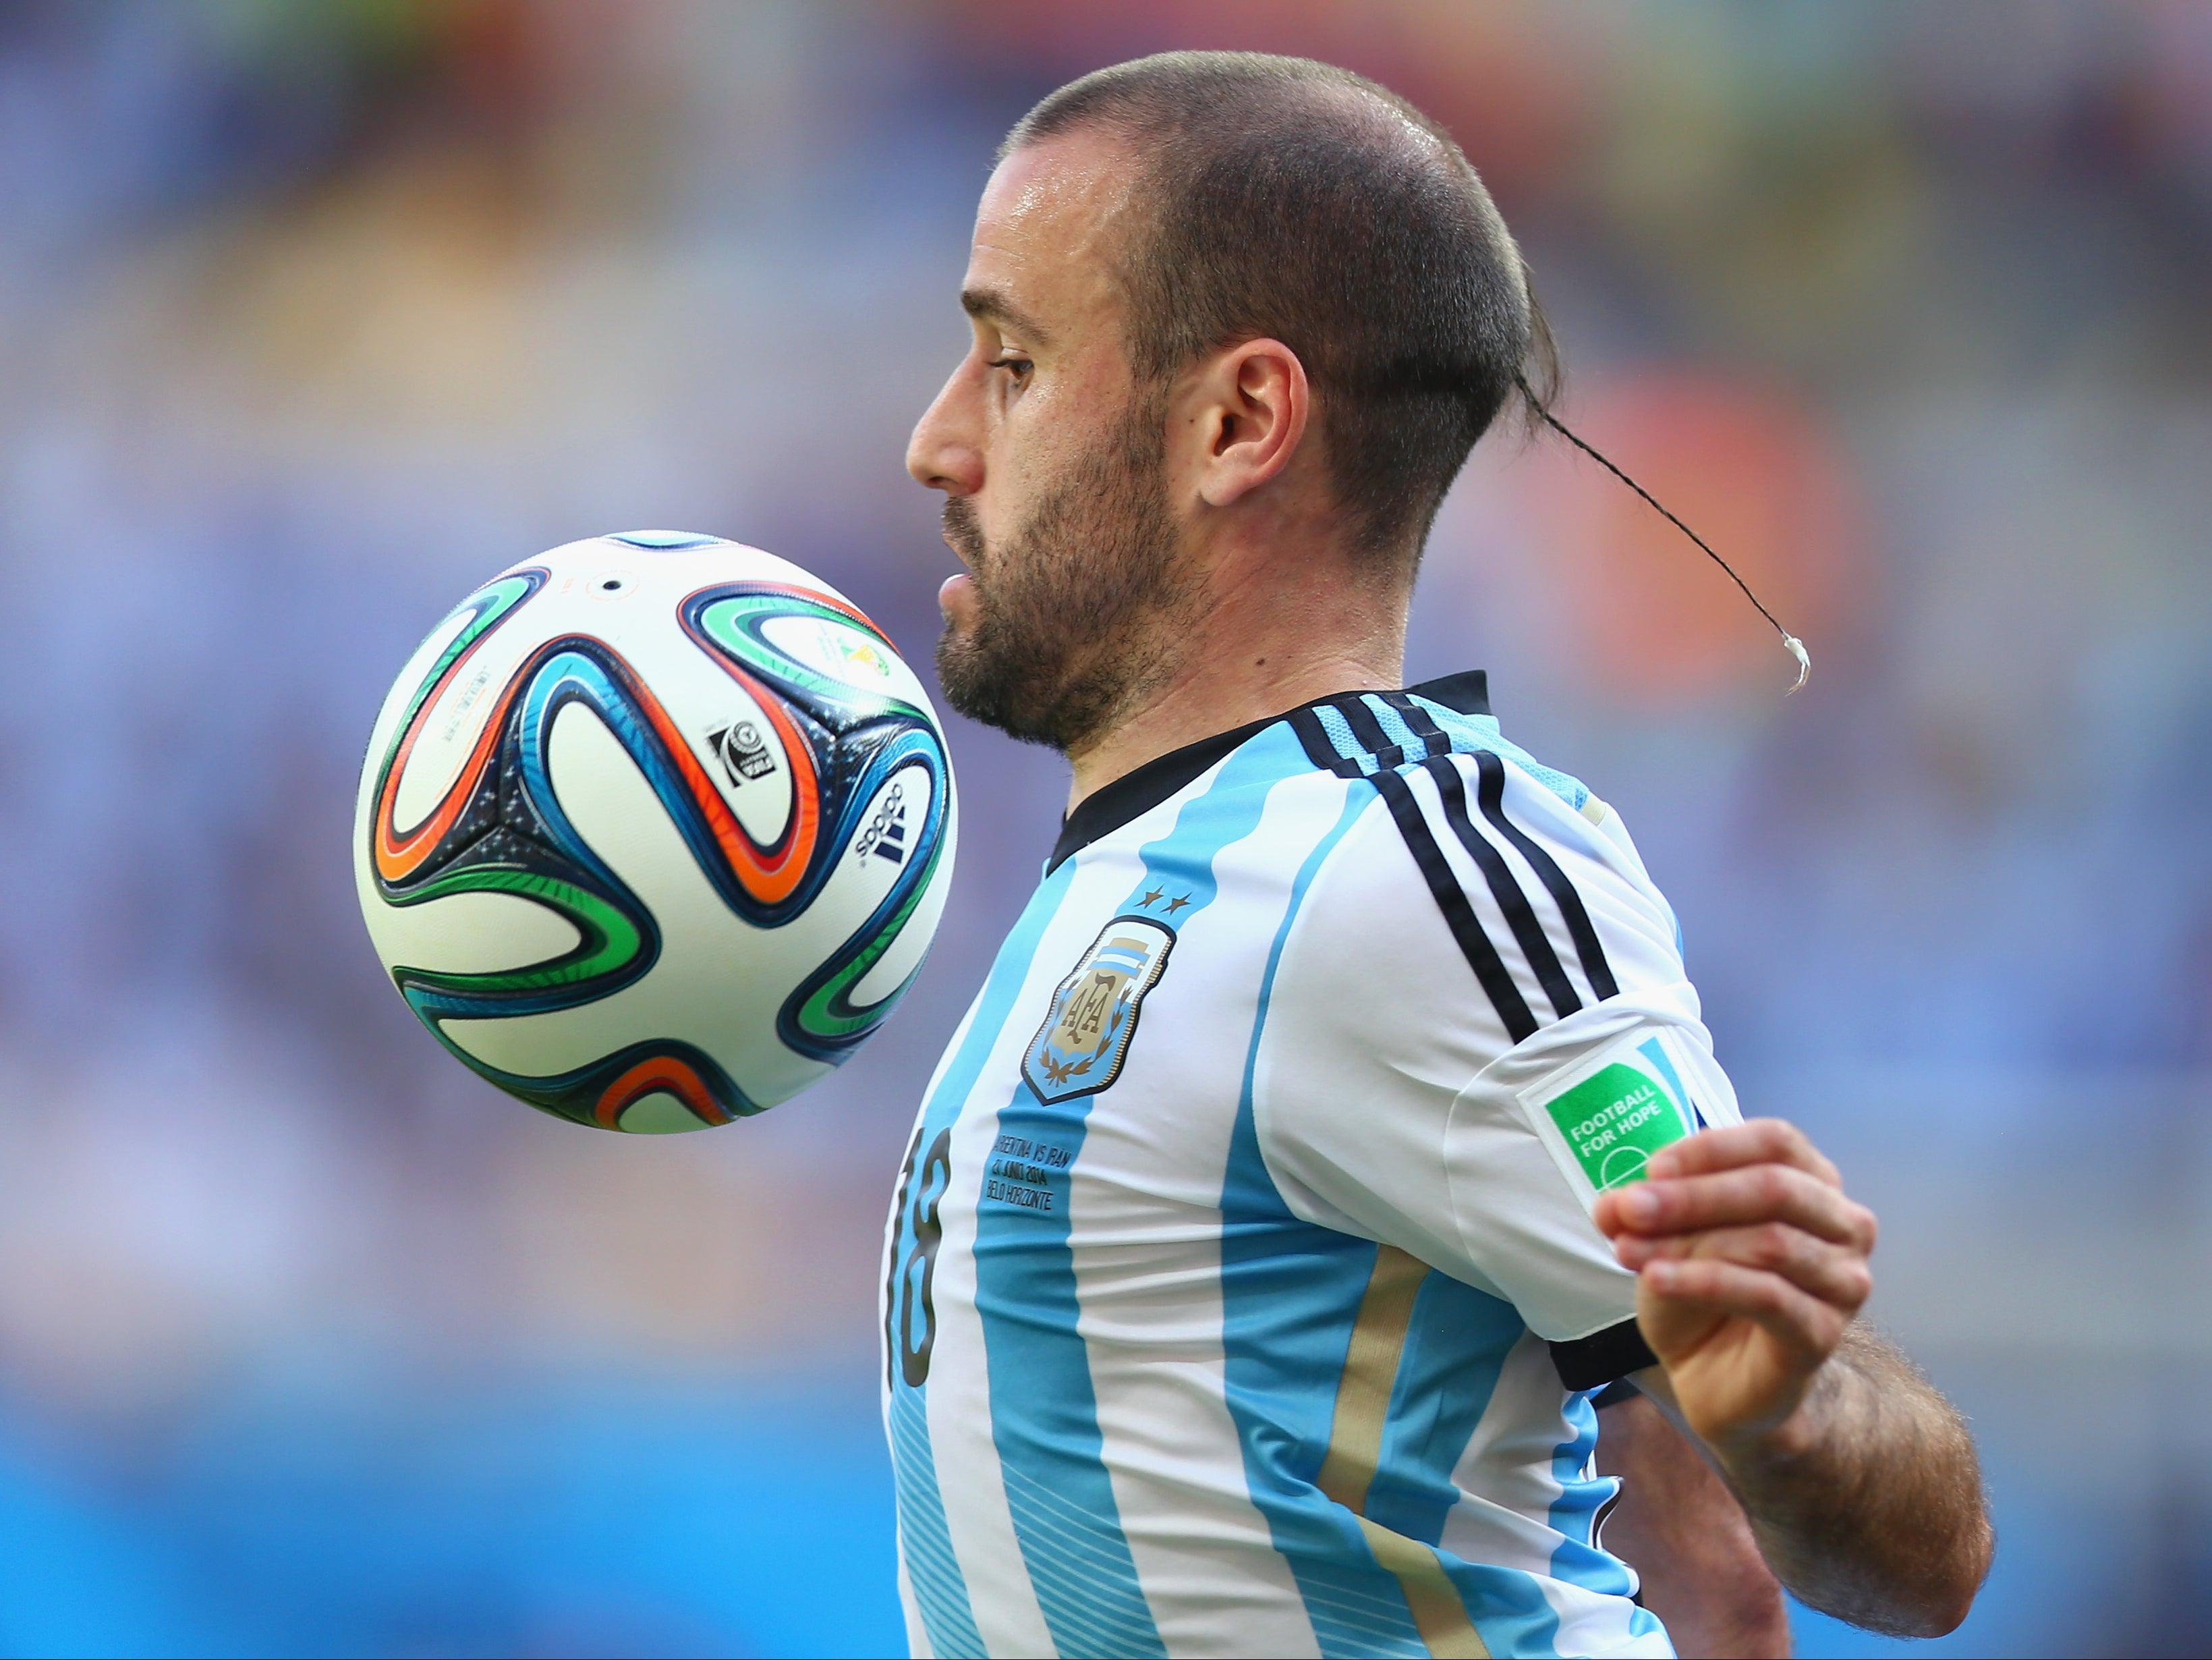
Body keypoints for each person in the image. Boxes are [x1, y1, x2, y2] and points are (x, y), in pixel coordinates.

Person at [883, 51, 1991, 1659]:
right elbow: (1700, 1567)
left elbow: (1880, 1543)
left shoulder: (1396, 865)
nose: (935, 443)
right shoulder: (1140, 878)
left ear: (1238, 419)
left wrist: (1791, 1416)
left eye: (1013, 363)